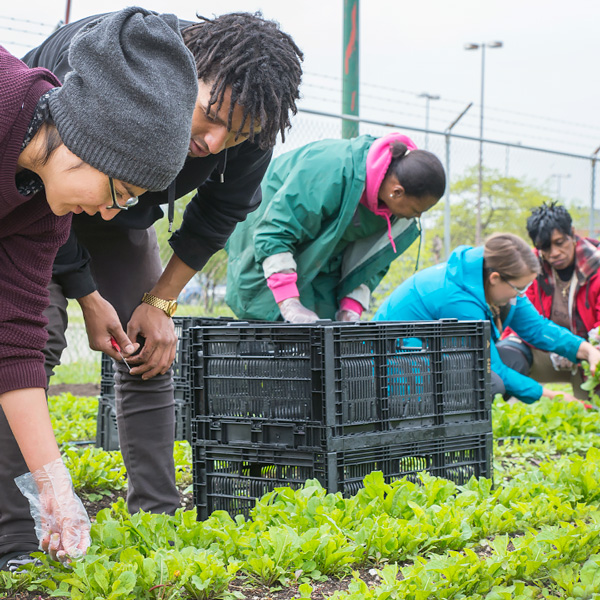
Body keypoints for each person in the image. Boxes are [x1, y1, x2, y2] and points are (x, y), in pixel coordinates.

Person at [20, 10, 303, 529]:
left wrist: (159, 303)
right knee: (32, 343)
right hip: (41, 194)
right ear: (181, 73)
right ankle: (14, 527)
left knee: (148, 351)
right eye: (210, 118)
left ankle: (157, 516)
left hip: (121, 211)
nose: (216, 142)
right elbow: (43, 183)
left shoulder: (249, 124)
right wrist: (86, 292)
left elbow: (217, 214)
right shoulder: (111, 62)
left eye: (238, 134)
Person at [0, 7, 199, 570]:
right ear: (88, 142)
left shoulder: (43, 213)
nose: (112, 214)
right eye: (121, 189)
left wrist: (55, 489)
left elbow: (13, 342)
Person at [226, 133, 446, 322]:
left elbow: (369, 262)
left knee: (320, 335)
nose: (418, 217)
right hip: (263, 240)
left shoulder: (394, 212)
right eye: (418, 209)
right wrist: (289, 302)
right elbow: (274, 233)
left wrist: (351, 306)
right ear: (397, 192)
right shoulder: (329, 169)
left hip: (322, 262)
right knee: (266, 324)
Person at [373, 233, 600, 404]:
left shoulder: (494, 283)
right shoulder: (458, 299)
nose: (521, 295)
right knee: (489, 382)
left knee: (492, 374)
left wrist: (586, 350)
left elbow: (537, 328)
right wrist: (552, 396)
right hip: (391, 367)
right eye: (519, 288)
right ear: (495, 278)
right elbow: (490, 366)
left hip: (422, 360)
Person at [497, 203, 600, 399]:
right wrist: (557, 345)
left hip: (588, 352)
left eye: (560, 242)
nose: (554, 253)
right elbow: (525, 323)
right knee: (507, 356)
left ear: (572, 233)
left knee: (591, 413)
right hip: (544, 349)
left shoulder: (596, 267)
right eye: (545, 247)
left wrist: (583, 349)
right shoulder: (528, 269)